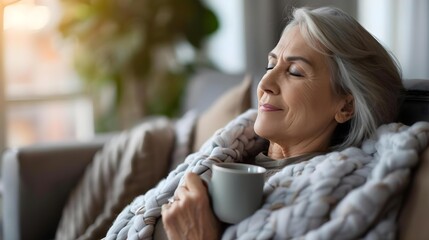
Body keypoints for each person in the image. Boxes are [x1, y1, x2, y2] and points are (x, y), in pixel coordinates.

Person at [159, 6, 404, 240]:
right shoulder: (227, 154)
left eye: (295, 71)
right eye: (271, 64)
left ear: (346, 106)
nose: (265, 82)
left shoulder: (327, 198)